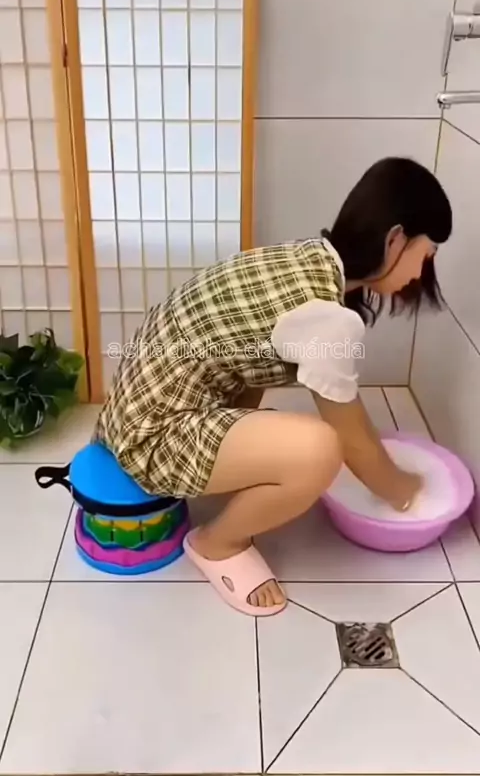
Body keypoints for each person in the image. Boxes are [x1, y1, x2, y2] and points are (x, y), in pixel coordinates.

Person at [94, 157, 452, 616]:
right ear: (395, 240)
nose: (420, 273)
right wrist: (407, 491)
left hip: (133, 408)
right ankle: (217, 544)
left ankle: (224, 484)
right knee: (321, 449)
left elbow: (335, 400)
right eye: (426, 256)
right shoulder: (327, 317)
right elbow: (353, 442)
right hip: (152, 438)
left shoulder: (308, 258)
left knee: (295, 418)